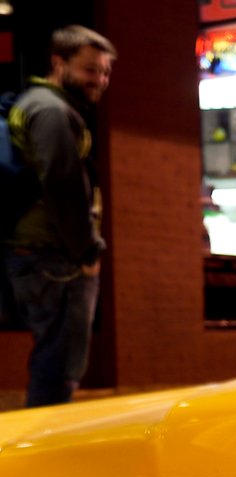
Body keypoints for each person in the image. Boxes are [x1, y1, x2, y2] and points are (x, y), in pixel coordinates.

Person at [2, 25, 116, 407]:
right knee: (58, 370)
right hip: (55, 259)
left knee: (53, 363)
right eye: (89, 69)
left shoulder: (38, 104)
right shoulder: (50, 110)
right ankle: (40, 459)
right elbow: (63, 183)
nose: (99, 79)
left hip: (40, 254)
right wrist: (87, 251)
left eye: (104, 71)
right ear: (58, 62)